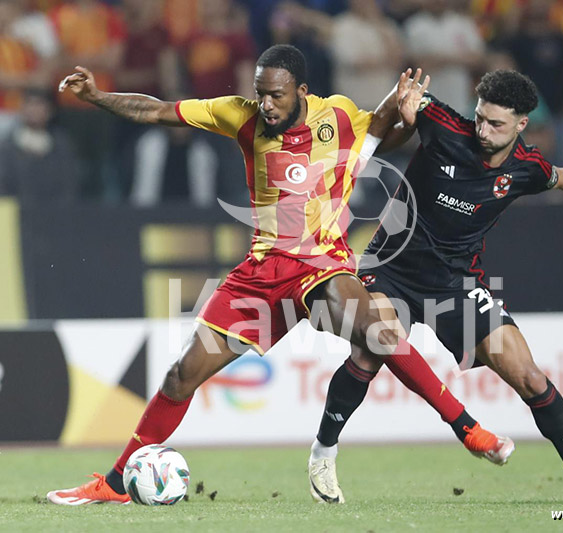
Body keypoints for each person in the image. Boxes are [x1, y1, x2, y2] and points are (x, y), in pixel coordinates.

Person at [46, 45, 511, 506]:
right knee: (180, 377)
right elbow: (158, 111)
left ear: (302, 91)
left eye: (277, 96)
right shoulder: (239, 114)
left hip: (322, 263)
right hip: (261, 274)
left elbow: (378, 137)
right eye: (260, 94)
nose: (266, 105)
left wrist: (399, 107)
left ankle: (467, 428)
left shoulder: (339, 116)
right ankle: (114, 481)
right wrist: (97, 97)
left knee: (379, 332)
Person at [310, 68, 563, 502]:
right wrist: (401, 108)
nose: (482, 129)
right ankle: (323, 453)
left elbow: (560, 177)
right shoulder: (443, 124)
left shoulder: (526, 167)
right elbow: (399, 102)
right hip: (391, 269)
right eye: (480, 117)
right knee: (369, 352)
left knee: (530, 376)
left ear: (521, 125)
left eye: (496, 123)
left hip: (455, 282)